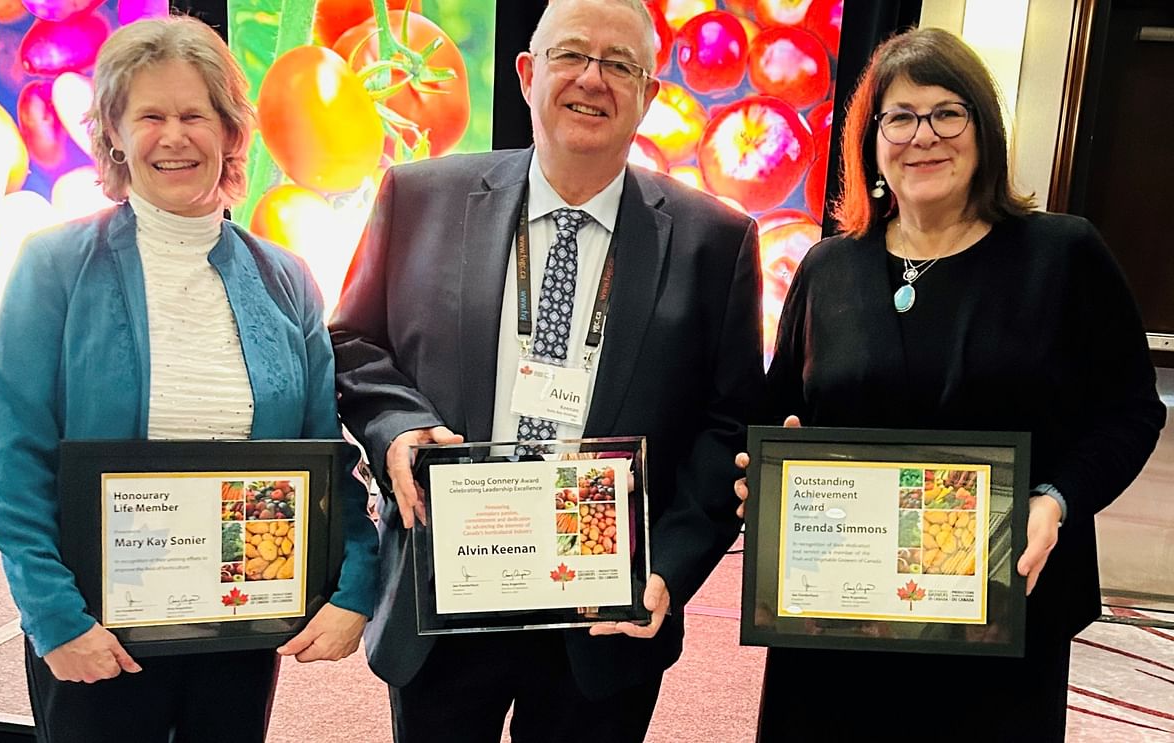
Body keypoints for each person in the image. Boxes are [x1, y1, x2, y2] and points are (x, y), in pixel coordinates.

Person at [329, 0, 764, 740]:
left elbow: (729, 423)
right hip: (449, 582)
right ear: (529, 74)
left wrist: (669, 567)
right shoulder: (419, 197)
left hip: (604, 610)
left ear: (649, 96)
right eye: (571, 56)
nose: (591, 79)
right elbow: (354, 342)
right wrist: (398, 429)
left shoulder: (714, 241)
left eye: (619, 64)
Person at [735, 27, 1165, 742]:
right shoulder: (828, 267)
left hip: (1000, 610)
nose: (922, 136)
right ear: (871, 139)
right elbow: (779, 411)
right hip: (838, 609)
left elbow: (1130, 411)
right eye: (899, 117)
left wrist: (1055, 500)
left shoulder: (1061, 255)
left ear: (983, 128)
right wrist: (767, 472)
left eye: (946, 112)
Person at [0, 16, 379, 743]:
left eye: (195, 114)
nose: (174, 136)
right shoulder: (51, 266)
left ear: (230, 132)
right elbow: (14, 465)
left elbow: (327, 458)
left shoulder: (285, 278)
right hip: (95, 632)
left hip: (241, 622)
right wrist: (55, 619)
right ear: (114, 134)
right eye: (150, 115)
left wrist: (355, 586)